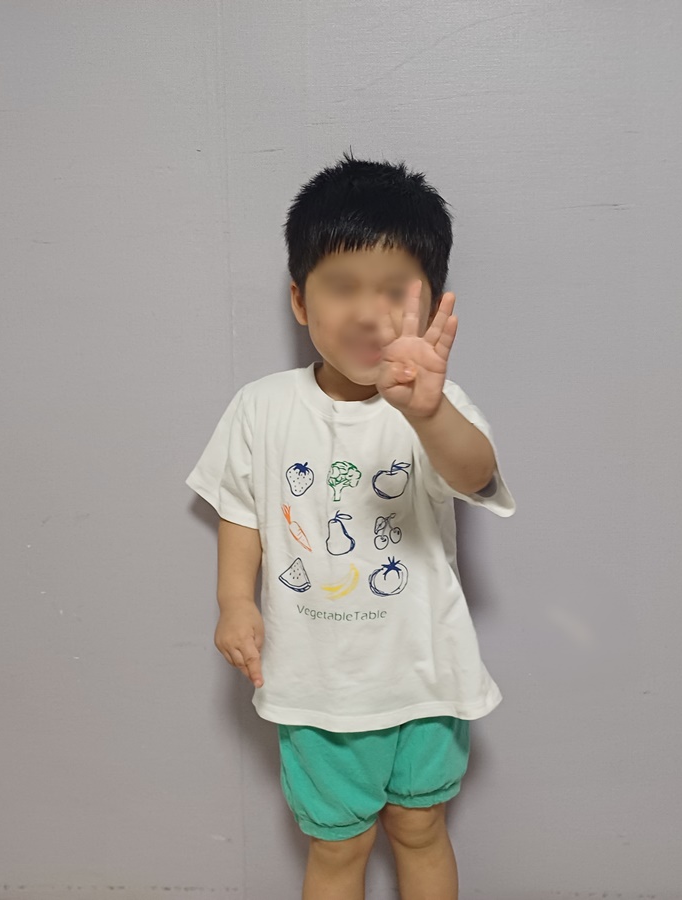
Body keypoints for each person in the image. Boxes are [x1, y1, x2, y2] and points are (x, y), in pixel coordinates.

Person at [185, 151, 515, 900]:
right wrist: (234, 601)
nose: (368, 313)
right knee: (338, 847)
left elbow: (475, 475)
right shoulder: (262, 406)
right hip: (316, 687)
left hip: (426, 679)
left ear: (431, 305)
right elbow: (242, 508)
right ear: (300, 301)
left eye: (394, 291)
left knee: (421, 829)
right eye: (342, 288)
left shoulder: (435, 406)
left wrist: (428, 411)